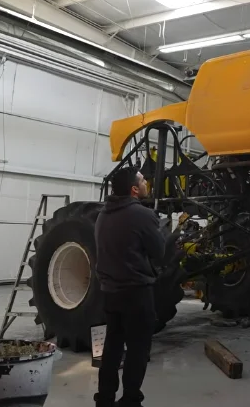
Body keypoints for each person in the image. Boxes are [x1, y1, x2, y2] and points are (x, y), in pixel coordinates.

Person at [93, 166, 166, 407]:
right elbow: (159, 252)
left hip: (111, 293)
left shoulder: (104, 214)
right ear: (134, 189)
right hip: (136, 293)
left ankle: (105, 398)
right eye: (144, 181)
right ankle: (130, 399)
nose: (147, 184)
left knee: (113, 346)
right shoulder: (142, 214)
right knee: (138, 349)